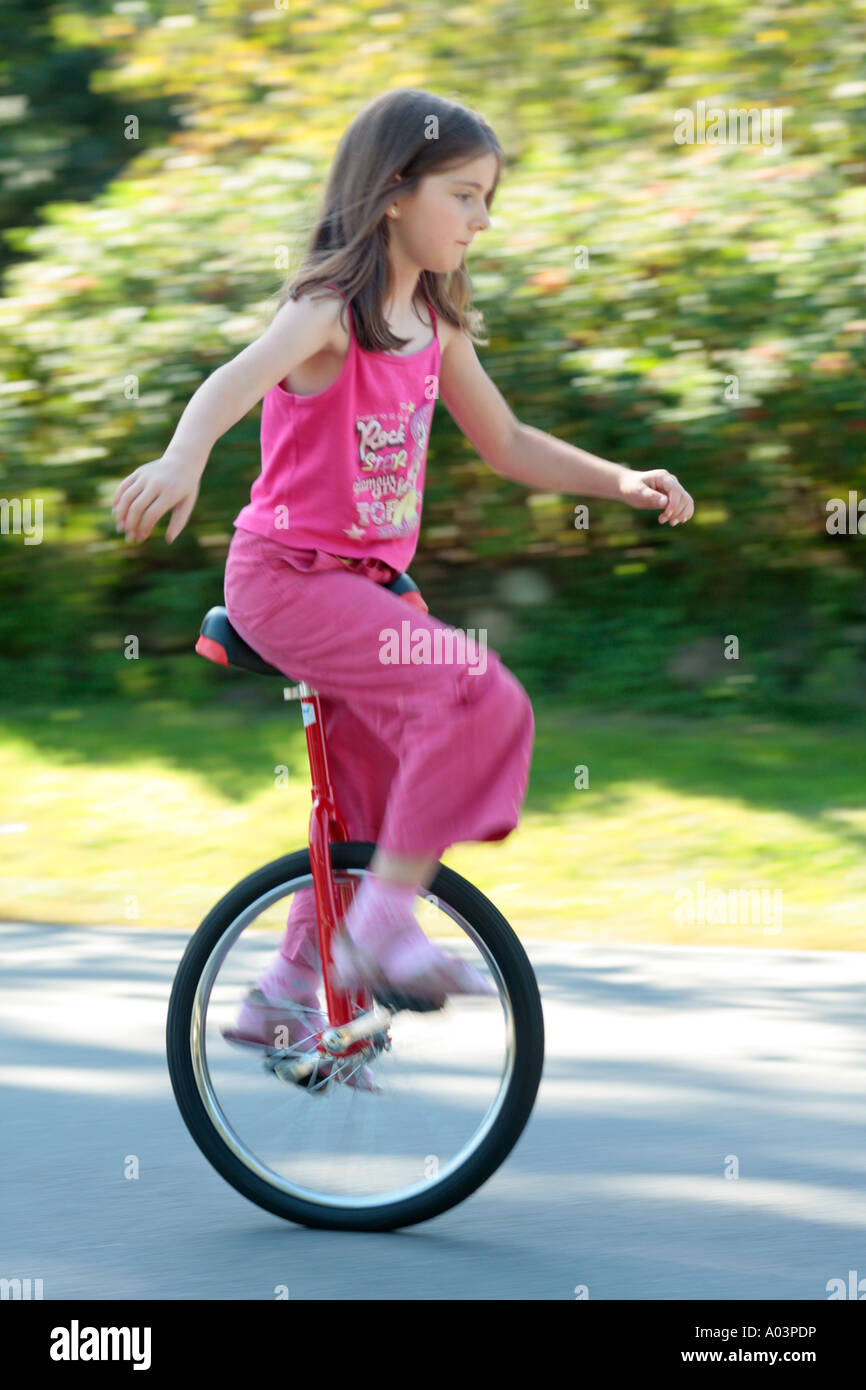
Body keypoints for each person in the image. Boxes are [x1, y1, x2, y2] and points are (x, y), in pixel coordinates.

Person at [111, 89, 694, 1078]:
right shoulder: (325, 312)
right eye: (463, 195)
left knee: (379, 801)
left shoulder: (430, 323)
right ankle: (381, 924)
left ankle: (285, 991)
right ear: (392, 193)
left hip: (371, 591)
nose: (480, 219)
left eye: (487, 199)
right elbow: (231, 379)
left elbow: (504, 442)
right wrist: (181, 457)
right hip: (289, 579)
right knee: (476, 692)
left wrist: (617, 481)